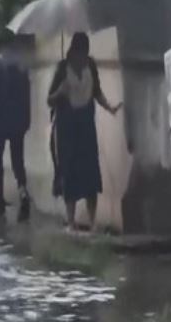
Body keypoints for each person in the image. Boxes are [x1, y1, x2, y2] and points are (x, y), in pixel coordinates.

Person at [48, 32, 122, 232]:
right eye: (79, 53)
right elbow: (50, 100)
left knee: (90, 173)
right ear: (73, 51)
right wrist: (60, 92)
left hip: (86, 125)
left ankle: (92, 222)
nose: (82, 58)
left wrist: (110, 108)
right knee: (70, 172)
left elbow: (96, 91)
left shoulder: (91, 66)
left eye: (85, 53)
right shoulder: (62, 69)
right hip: (67, 127)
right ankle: (71, 222)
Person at [0, 29, 31, 224]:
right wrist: (26, 119)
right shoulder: (21, 65)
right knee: (17, 161)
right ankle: (23, 192)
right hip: (18, 120)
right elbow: (27, 94)